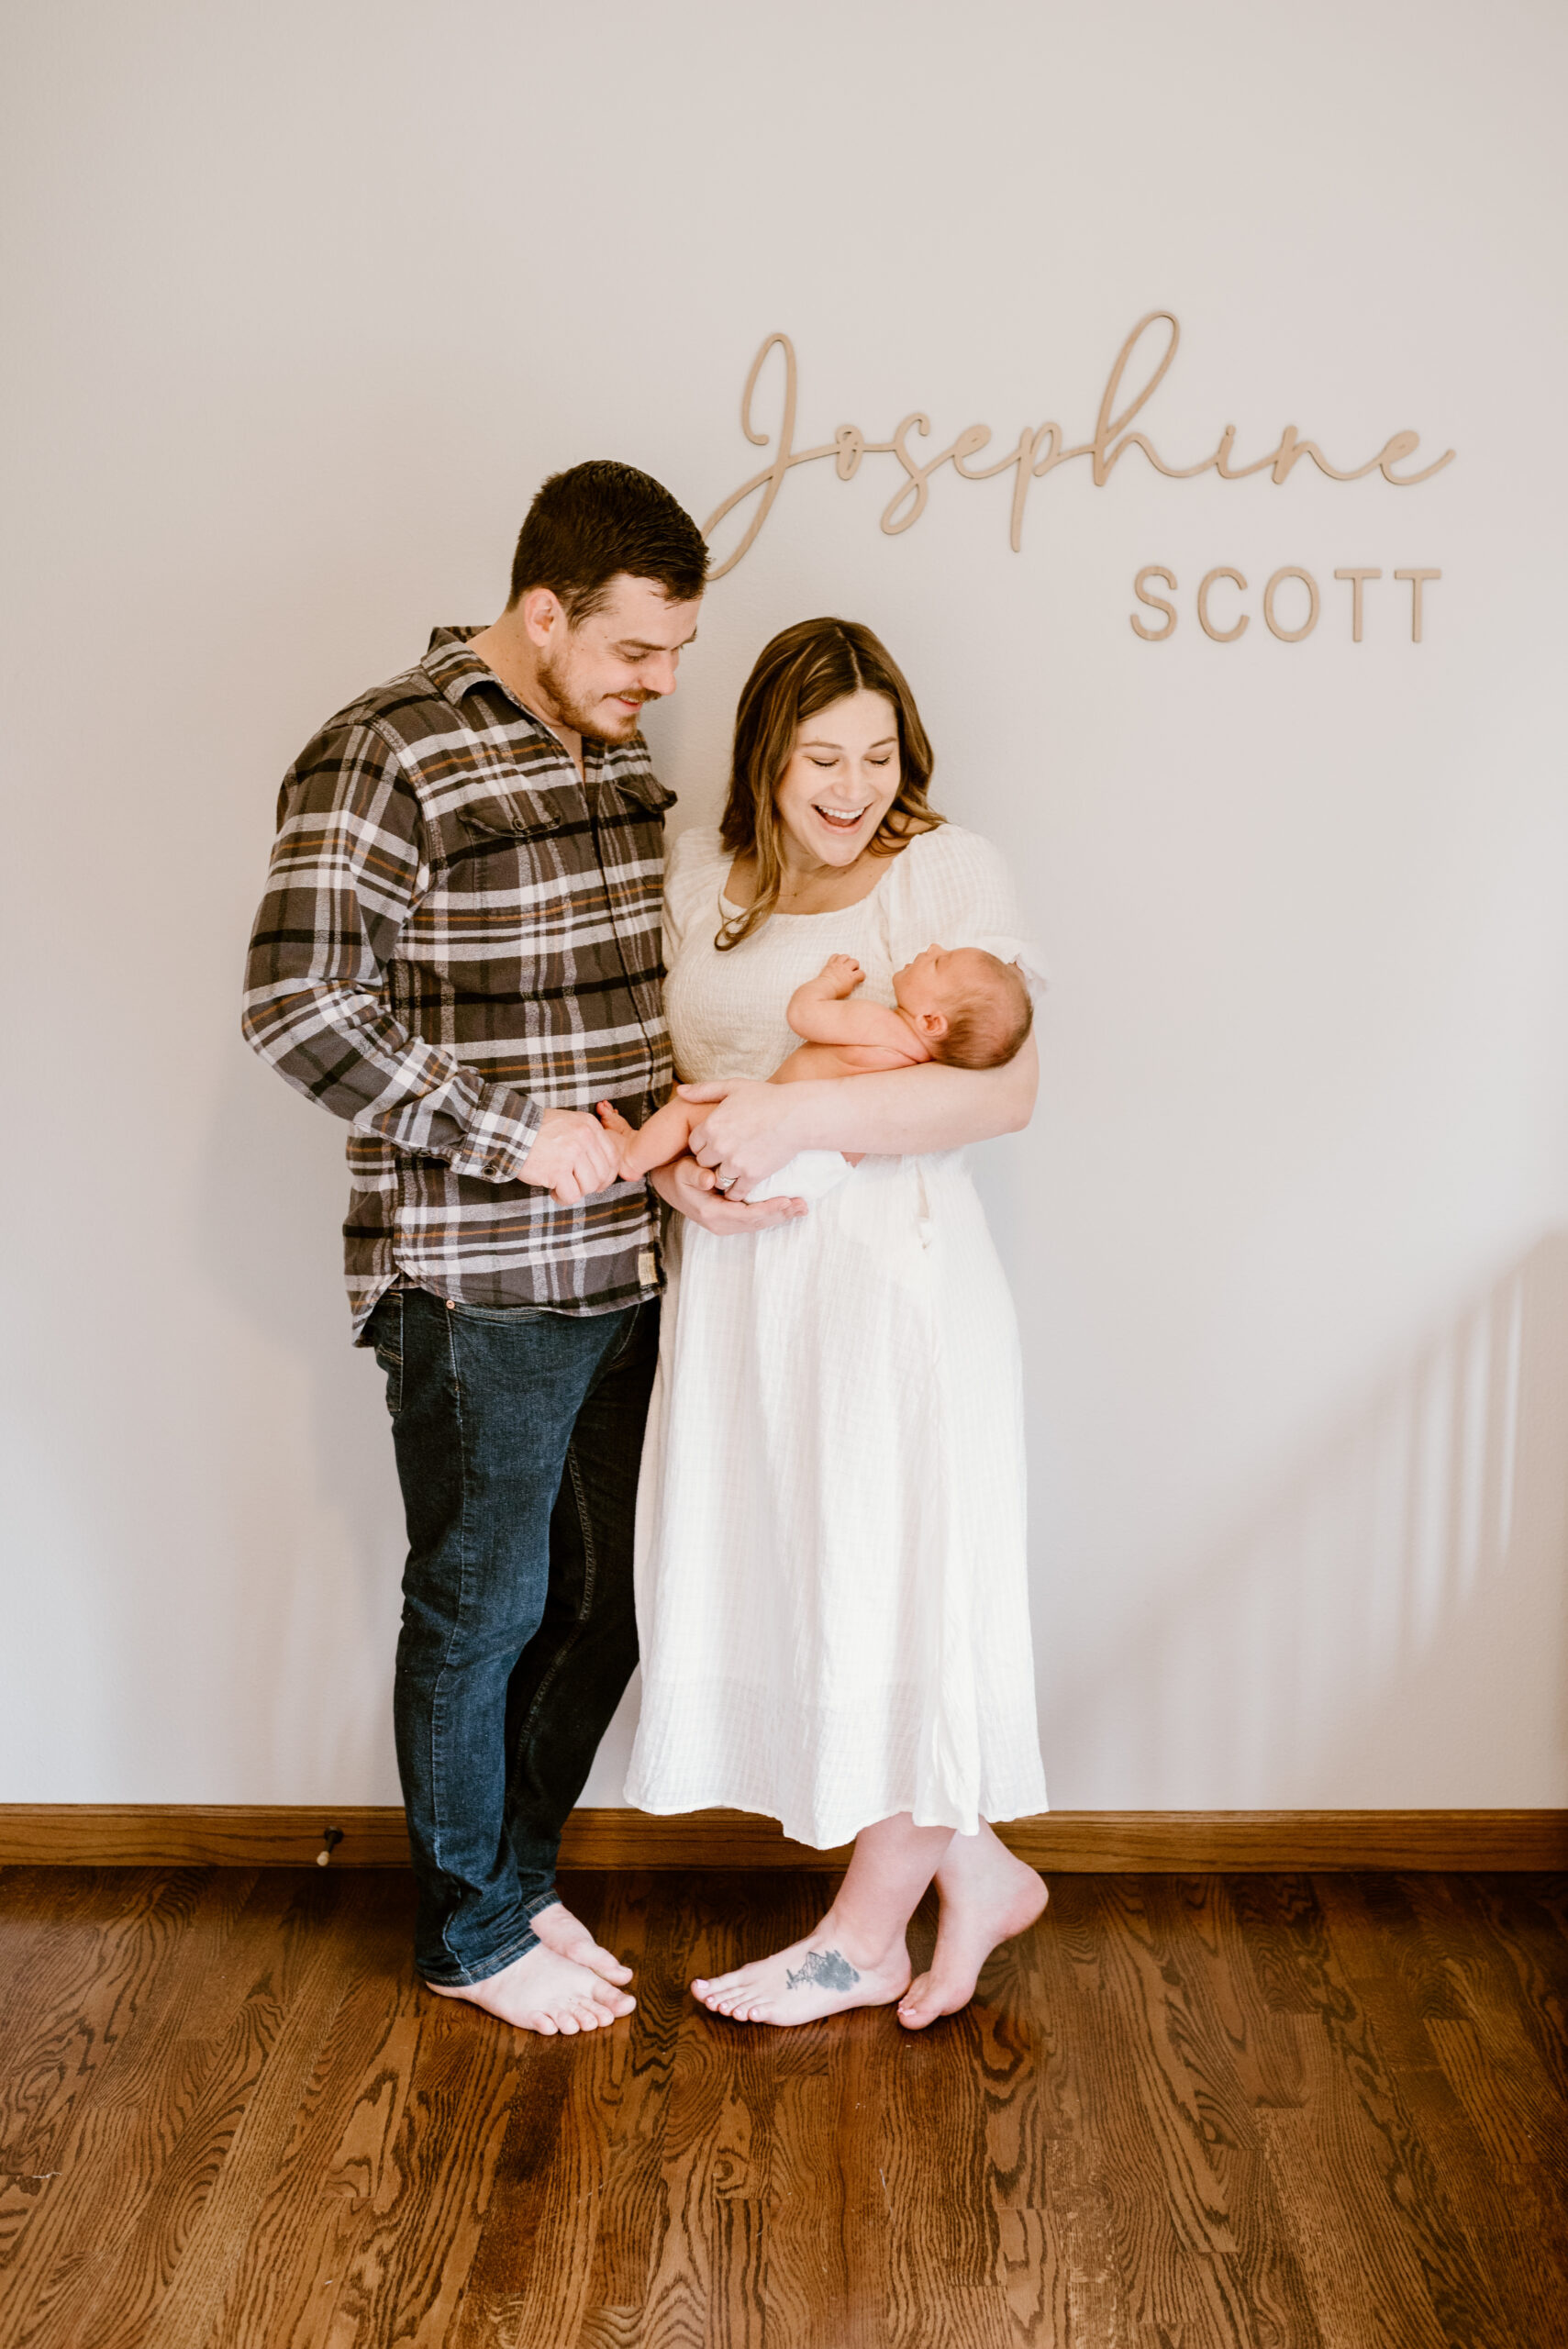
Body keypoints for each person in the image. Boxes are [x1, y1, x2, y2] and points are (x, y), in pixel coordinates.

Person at [240, 461, 803, 2037]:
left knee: (611, 1603)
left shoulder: (609, 754)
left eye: (679, 653)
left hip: (624, 1268)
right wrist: (512, 1133)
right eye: (636, 650)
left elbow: (612, 1010)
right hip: (472, 1285)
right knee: (478, 1612)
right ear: (540, 611)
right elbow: (299, 1005)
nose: (662, 683)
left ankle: (510, 1878)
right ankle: (463, 1933)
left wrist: (665, 1142)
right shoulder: (385, 751)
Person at [628, 615, 1051, 2031]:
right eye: (823, 755)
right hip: (749, 1284)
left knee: (906, 1578)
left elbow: (1000, 1091)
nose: (853, 785)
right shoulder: (701, 877)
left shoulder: (945, 871)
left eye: (878, 755)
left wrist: (796, 1110)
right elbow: (682, 1071)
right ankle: (973, 1867)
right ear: (766, 752)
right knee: (824, 1583)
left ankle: (862, 1939)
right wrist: (689, 1166)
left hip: (894, 1287)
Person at [595, 945, 1033, 1184]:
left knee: (690, 1112)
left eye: (938, 961)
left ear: (932, 1021)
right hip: (815, 1173)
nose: (932, 947)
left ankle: (631, 1155)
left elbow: (803, 1015)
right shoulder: (916, 1067)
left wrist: (832, 982)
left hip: (770, 1144)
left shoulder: (879, 1024)